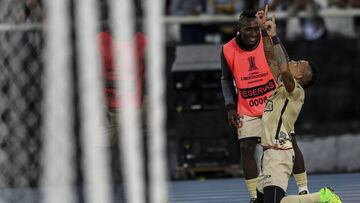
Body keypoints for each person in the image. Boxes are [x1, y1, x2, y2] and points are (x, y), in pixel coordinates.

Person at [220, 6, 309, 202]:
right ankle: (254, 197)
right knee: (246, 148)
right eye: (248, 29)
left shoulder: (267, 39)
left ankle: (304, 189)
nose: (252, 33)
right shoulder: (227, 49)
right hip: (247, 106)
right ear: (239, 29)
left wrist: (268, 33)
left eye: (255, 29)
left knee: (291, 143)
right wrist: (230, 106)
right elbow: (226, 79)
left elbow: (283, 62)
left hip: (273, 104)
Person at [255, 14, 341, 203]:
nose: (293, 62)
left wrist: (276, 36)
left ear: (300, 75)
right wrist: (264, 31)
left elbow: (283, 68)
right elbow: (271, 59)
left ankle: (322, 197)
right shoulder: (283, 86)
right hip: (269, 153)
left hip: (278, 154)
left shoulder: (296, 91)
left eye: (297, 64)